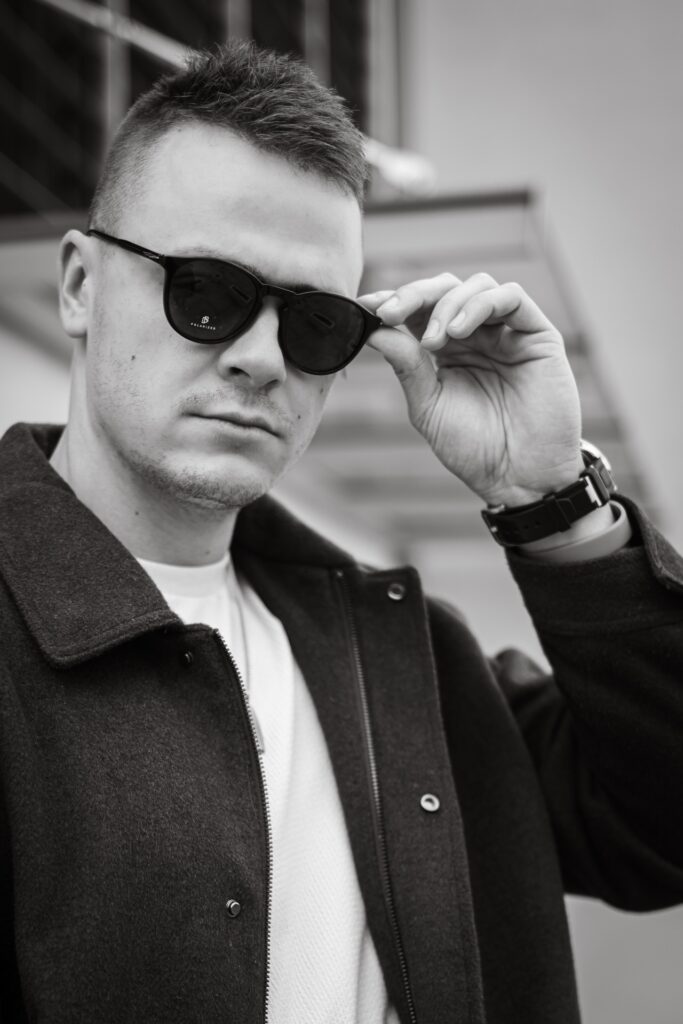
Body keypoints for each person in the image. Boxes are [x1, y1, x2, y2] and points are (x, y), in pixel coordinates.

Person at [0, 40, 681, 1024]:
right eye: (206, 292)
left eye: (315, 323)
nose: (262, 359)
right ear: (79, 285)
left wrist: (550, 501)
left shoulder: (404, 657)